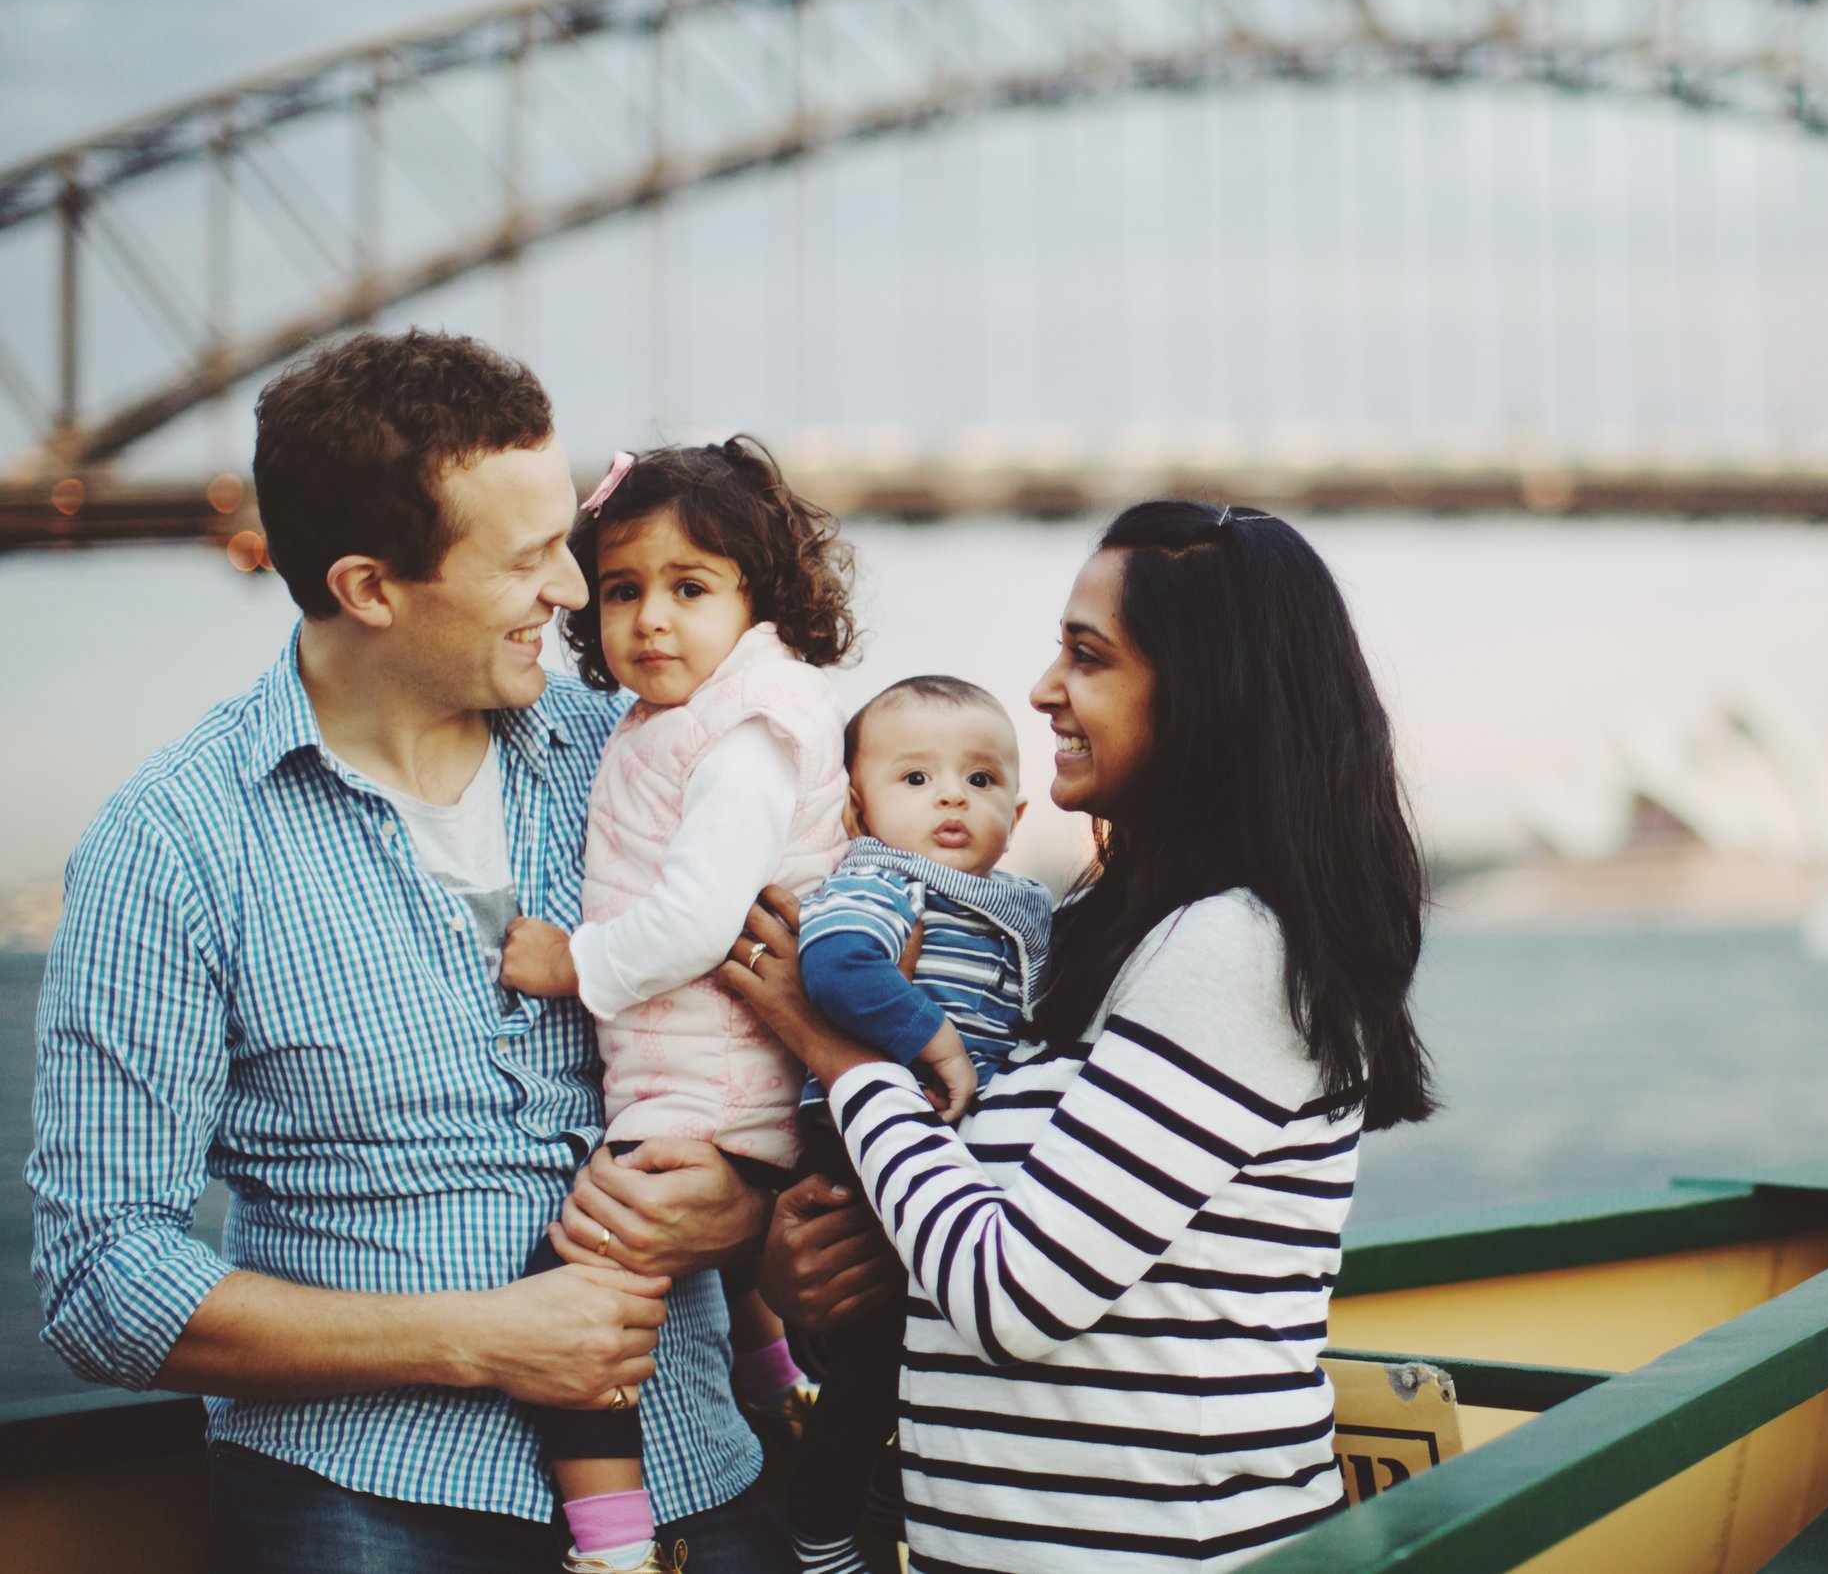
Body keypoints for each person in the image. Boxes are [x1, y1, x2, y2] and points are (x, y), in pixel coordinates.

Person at [25, 330, 892, 1574]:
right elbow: (102, 1276)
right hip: (359, 1510)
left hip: (706, 1474)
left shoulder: (651, 756)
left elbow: (798, 1021)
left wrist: (746, 1207)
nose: (579, 594)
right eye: (533, 557)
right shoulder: (175, 845)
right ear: (372, 586)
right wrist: (483, 1337)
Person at [728, 500, 1436, 1573]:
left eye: (1087, 656)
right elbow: (964, 1216)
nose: (1043, 689)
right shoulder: (1079, 934)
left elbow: (1014, 1293)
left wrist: (845, 1058)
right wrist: (822, 1265)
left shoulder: (1235, 946)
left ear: (1207, 693)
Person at [495, 437, 860, 1574]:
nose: (650, 618)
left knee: (569, 1286)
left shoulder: (746, 730)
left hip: (720, 1087)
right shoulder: (677, 718)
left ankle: (609, 1544)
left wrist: (574, 964)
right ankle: (776, 1385)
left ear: (759, 598)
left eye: (689, 587)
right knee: (700, 1255)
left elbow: (703, 917)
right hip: (713, 1079)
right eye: (620, 589)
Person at [783, 674, 1056, 1574]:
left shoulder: (1025, 904)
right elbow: (835, 965)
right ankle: (821, 1527)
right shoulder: (883, 877)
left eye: (980, 780)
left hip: (939, 1154)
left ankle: (884, 1495)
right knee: (870, 1358)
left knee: (920, 1350)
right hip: (862, 1138)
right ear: (857, 802)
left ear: (1016, 809)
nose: (951, 795)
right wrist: (929, 1034)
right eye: (916, 778)